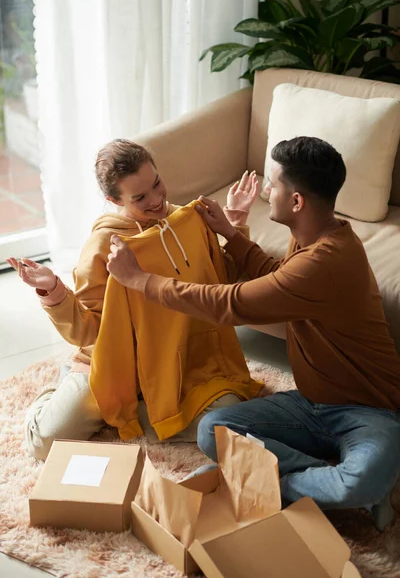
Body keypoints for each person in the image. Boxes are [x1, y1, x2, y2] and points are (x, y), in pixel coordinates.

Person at [107, 136, 400, 530]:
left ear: (296, 201)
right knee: (215, 430)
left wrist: (140, 280)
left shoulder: (328, 261)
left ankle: (272, 485)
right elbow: (279, 277)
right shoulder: (314, 232)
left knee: (358, 482)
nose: (265, 190)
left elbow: (230, 304)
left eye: (273, 184)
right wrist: (231, 232)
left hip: (370, 409)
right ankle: (321, 478)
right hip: (312, 404)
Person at [7, 139, 260, 461]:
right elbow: (89, 332)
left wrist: (236, 218)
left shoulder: (187, 222)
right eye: (140, 197)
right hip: (119, 363)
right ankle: (73, 389)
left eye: (157, 184)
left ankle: (123, 415)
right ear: (114, 200)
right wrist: (53, 291)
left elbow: (221, 283)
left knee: (227, 420)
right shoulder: (103, 245)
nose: (156, 200)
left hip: (179, 360)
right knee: (45, 442)